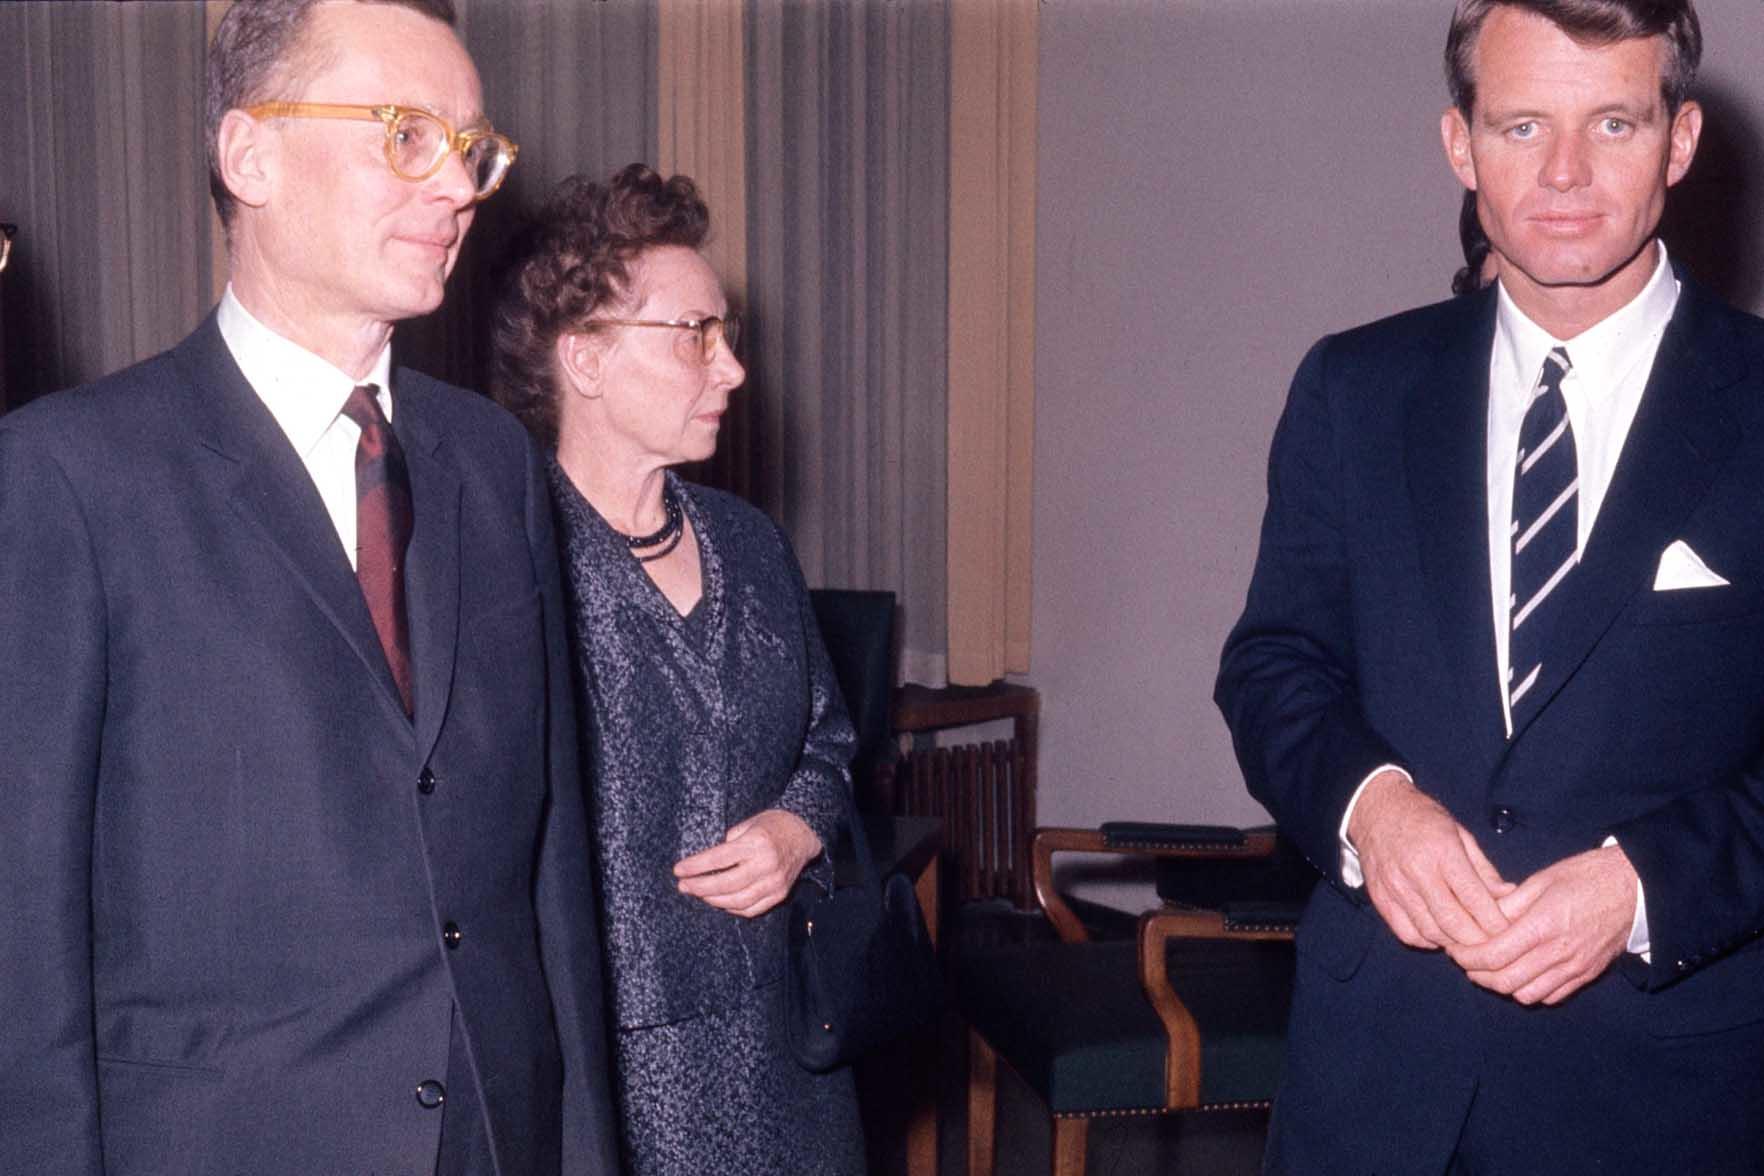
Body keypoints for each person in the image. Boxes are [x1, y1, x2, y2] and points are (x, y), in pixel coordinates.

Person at [0, 2, 618, 1172]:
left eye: (471, 148)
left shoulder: (492, 463)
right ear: (251, 154)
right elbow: (20, 942)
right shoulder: (67, 475)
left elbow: (551, 883)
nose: (458, 187)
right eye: (405, 135)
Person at [1215, 1, 1764, 1172]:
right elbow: (1275, 666)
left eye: (1612, 123)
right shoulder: (1353, 389)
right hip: (1373, 1082)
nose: (1565, 174)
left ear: (1680, 140)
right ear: (1460, 145)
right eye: (1522, 127)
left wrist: (1642, 888)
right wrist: (1371, 806)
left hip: (1674, 1092)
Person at [491, 163, 866, 1176]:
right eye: (694, 333)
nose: (732, 367)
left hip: (794, 1036)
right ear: (586, 360)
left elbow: (829, 738)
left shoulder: (751, 543)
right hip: (613, 1062)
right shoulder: (507, 567)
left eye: (726, 331)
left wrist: (797, 828)